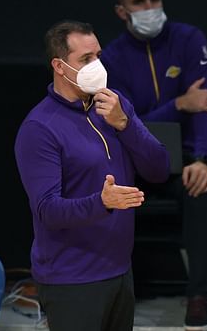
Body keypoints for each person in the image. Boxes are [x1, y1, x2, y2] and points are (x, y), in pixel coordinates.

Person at [14, 20, 170, 331]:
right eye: (86, 59)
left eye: (98, 55)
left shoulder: (115, 105)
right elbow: (47, 210)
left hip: (120, 270)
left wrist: (126, 124)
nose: (96, 65)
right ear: (59, 66)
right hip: (71, 278)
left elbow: (159, 168)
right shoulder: (40, 128)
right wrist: (102, 202)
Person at [100, 0, 207, 330]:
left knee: (200, 190)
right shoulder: (111, 58)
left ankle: (200, 296)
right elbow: (126, 120)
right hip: (131, 162)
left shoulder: (188, 39)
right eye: (139, 2)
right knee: (104, 194)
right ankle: (111, 292)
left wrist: (202, 159)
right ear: (122, 10)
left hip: (179, 161)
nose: (150, 7)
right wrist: (180, 104)